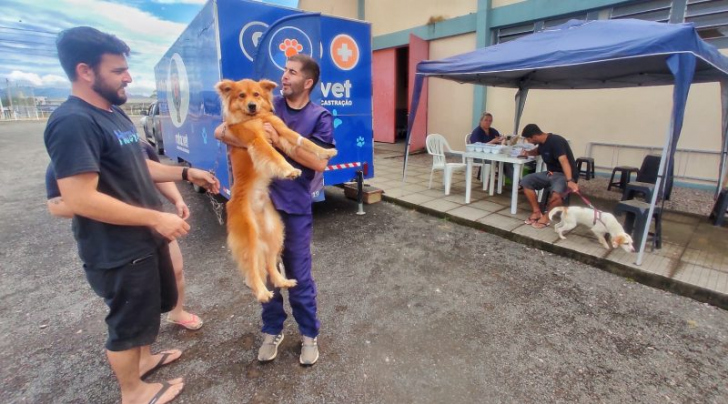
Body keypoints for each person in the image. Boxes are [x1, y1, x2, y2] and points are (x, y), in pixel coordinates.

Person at [44, 26, 219, 404]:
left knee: (146, 311)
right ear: (85, 71)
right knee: (126, 322)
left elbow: (143, 168)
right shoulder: (74, 121)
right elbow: (78, 198)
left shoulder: (113, 116)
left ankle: (145, 361)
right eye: (118, 70)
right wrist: (154, 218)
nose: (129, 77)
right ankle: (134, 392)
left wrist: (188, 173)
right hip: (117, 248)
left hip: (143, 239)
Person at [215, 54, 334, 366]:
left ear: (307, 82)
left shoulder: (319, 116)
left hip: (294, 207)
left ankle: (309, 334)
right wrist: (249, 137)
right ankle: (272, 330)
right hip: (259, 204)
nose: (284, 77)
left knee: (299, 275)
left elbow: (320, 162)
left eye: (292, 72)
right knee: (266, 274)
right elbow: (223, 132)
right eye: (284, 71)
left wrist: (276, 142)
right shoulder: (266, 102)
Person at [45, 139, 204, 331]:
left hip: (158, 226)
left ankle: (177, 312)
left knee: (176, 269)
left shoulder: (138, 145)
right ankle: (139, 347)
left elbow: (157, 173)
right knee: (134, 295)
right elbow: (58, 205)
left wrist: (177, 199)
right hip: (118, 237)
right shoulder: (75, 152)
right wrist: (99, 206)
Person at [518, 124, 578, 229]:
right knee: (526, 181)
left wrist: (570, 180)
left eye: (528, 139)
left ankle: (546, 217)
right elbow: (538, 151)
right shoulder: (542, 143)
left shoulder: (556, 141)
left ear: (534, 136)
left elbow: (564, 161)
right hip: (551, 173)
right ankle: (537, 212)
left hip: (564, 174)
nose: (528, 142)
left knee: (557, 194)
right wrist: (527, 153)